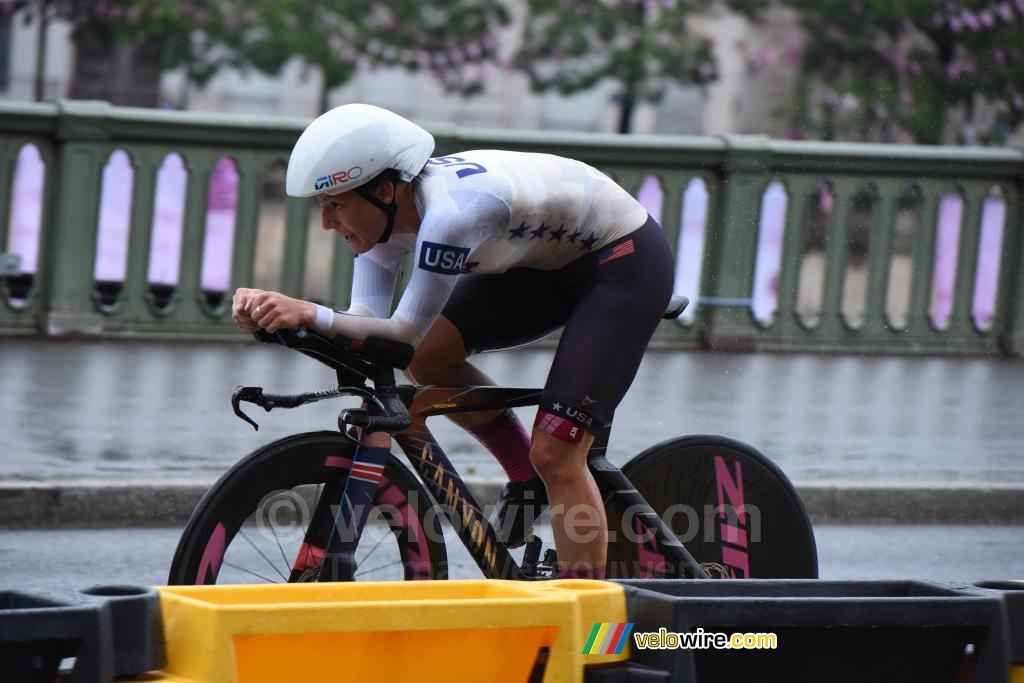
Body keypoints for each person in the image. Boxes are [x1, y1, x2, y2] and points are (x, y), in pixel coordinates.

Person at [232, 103, 674, 579]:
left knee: (558, 452)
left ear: (384, 191)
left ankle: (584, 614)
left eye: (336, 206)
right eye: (322, 206)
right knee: (429, 358)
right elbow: (366, 323)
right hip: (543, 261)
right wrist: (282, 318)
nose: (326, 223)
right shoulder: (383, 220)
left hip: (621, 261)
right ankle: (524, 477)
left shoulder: (451, 215)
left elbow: (401, 335)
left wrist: (309, 312)